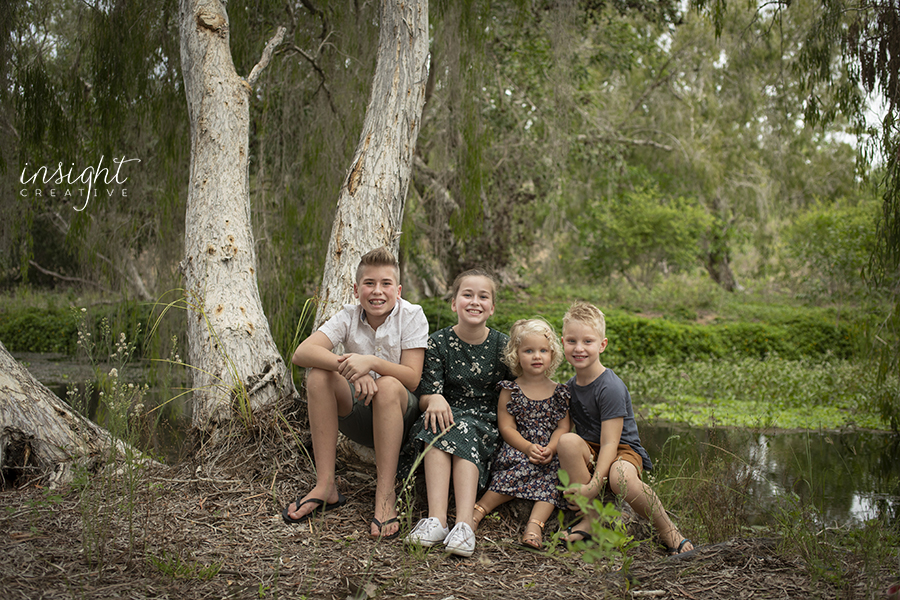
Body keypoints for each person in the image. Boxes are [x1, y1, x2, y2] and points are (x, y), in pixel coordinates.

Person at [282, 247, 429, 541]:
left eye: (386, 284)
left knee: (388, 385)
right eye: (369, 283)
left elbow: (412, 379)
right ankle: (326, 486)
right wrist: (352, 368)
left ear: (398, 290)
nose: (377, 291)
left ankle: (385, 495)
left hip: (401, 417)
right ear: (356, 289)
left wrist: (372, 363)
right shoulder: (348, 316)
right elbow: (302, 353)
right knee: (318, 376)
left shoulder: (412, 315)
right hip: (362, 415)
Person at [557, 301, 694, 556]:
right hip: (592, 449)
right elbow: (567, 431)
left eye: (588, 341)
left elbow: (610, 442)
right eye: (572, 341)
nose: (579, 348)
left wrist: (594, 485)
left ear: (602, 344)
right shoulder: (569, 387)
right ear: (562, 342)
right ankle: (591, 519)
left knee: (620, 477)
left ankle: (668, 530)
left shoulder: (610, 386)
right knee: (566, 442)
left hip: (622, 449)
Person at [402, 269, 512, 557]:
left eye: (483, 296)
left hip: (486, 420)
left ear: (492, 307)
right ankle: (436, 519)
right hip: (445, 413)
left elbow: (516, 390)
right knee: (437, 424)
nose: (474, 301)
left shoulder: (503, 346)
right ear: (454, 303)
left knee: (463, 429)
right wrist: (433, 399)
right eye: (467, 295)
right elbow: (426, 392)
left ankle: (464, 525)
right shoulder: (438, 343)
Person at [470, 318, 571, 550]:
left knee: (554, 475)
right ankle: (478, 511)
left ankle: (535, 526)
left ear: (552, 354)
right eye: (529, 351)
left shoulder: (560, 392)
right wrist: (526, 447)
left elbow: (563, 427)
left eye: (543, 350)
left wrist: (552, 448)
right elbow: (507, 427)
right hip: (519, 447)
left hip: (548, 451)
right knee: (515, 468)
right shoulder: (510, 390)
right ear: (516, 355)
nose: (537, 356)